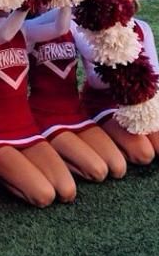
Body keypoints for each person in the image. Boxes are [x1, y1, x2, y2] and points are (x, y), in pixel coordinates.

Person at [0, 7, 77, 207]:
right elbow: (3, 34)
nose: (4, 1)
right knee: (43, 196)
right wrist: (24, 6)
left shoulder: (24, 30)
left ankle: (6, 170)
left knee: (67, 191)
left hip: (26, 128)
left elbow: (61, 27)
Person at [76, 0, 159, 165]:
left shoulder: (142, 27)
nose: (121, 3)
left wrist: (139, 94)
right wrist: (124, 79)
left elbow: (155, 72)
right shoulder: (92, 31)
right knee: (143, 155)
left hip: (136, 101)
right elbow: (94, 79)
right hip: (103, 100)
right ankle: (100, 137)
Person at [28, 14, 128, 180]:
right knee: (97, 172)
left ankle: (63, 152)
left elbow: (94, 55)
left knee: (118, 168)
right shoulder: (27, 27)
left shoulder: (71, 25)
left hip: (75, 111)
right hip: (45, 114)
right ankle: (50, 155)